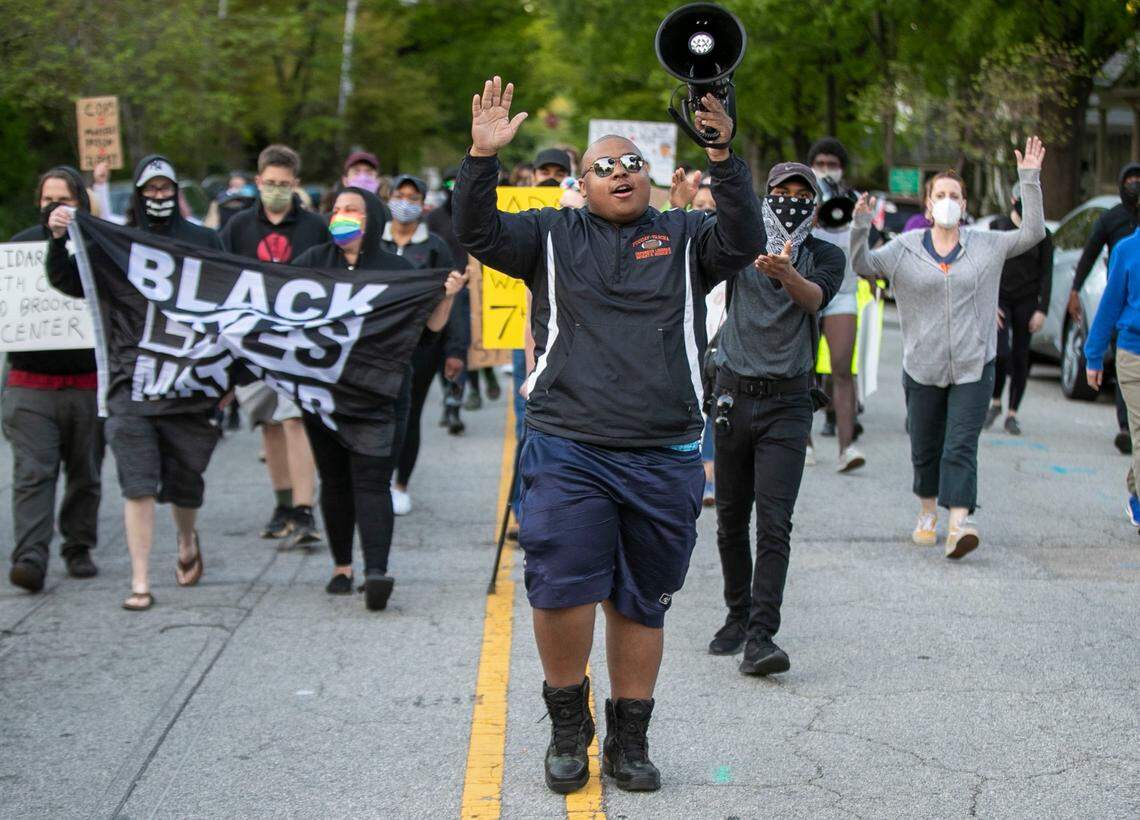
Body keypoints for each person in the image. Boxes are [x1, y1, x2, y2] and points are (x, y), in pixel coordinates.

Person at [454, 76, 762, 795]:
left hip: (663, 452)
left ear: (649, 177)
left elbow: (745, 238)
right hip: (570, 447)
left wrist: (722, 156)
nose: (620, 173)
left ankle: (631, 737)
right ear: (581, 184)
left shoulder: (686, 237)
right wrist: (480, 158)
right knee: (560, 591)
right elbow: (476, 232)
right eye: (603, 167)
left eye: (632, 164)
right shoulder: (549, 236)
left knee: (640, 600)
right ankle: (569, 727)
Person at [850, 138, 1047, 559]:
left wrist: (1029, 179)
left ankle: (959, 524)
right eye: (940, 195)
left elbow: (1033, 233)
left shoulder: (987, 244)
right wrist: (860, 226)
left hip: (975, 365)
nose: (947, 202)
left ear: (964, 204)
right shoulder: (903, 249)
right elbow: (864, 265)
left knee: (960, 445)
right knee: (925, 445)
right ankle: (927, 512)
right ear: (927, 205)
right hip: (922, 365)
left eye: (954, 196)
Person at [45, 155, 225, 610]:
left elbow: (233, 308)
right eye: (150, 190)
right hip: (131, 381)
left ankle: (186, 539)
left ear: (176, 192)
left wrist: (228, 377)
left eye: (165, 189)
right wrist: (58, 239)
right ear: (140, 195)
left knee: (186, 482)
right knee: (137, 483)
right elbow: (69, 281)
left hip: (188, 382)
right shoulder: (115, 243)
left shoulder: (205, 242)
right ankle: (140, 581)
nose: (158, 197)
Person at [292, 187, 466, 609]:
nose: (341, 215)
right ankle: (342, 567)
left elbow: (426, 333)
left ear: (370, 217)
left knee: (372, 480)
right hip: (325, 394)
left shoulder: (396, 269)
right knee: (335, 480)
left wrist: (446, 298)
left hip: (382, 394)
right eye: (336, 209)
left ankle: (375, 572)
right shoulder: (311, 264)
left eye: (351, 209)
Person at [705, 162, 844, 676]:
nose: (792, 201)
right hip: (733, 397)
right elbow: (699, 250)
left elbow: (815, 299)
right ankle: (736, 614)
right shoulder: (741, 246)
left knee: (775, 523)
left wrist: (788, 274)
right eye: (782, 192)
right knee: (729, 519)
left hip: (788, 403)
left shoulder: (824, 255)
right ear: (766, 198)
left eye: (802, 194)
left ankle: (762, 636)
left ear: (815, 206)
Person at [220, 144, 327, 546]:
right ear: (258, 181)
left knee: (295, 419)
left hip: (299, 343)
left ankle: (304, 508)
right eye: (270, 183)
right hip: (253, 341)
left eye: (284, 184)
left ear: (295, 184)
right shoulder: (238, 227)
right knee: (268, 422)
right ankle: (283, 504)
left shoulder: (314, 227)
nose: (276, 190)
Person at [5, 167, 103, 593]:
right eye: (48, 199)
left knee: (86, 473)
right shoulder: (19, 248)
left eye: (64, 200)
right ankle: (30, 557)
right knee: (33, 473)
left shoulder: (98, 249)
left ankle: (78, 546)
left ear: (80, 204)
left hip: (86, 385)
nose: (55, 207)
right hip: (29, 386)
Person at [381, 174, 467, 515]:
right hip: (378, 346)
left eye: (412, 197)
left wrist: (455, 350)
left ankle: (400, 484)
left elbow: (451, 299)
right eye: (399, 195)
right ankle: (376, 481)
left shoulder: (434, 247)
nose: (405, 203)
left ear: (422, 203)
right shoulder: (374, 241)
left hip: (421, 347)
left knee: (409, 414)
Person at [1070, 161, 1140, 455]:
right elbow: (1089, 256)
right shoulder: (1118, 232)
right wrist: (1094, 356)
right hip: (1130, 337)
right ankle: (1125, 427)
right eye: (1130, 180)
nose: (1134, 184)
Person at [808, 137, 865, 472]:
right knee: (802, 366)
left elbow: (865, 247)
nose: (826, 169)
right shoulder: (802, 197)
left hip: (843, 291)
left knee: (842, 366)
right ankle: (803, 442)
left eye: (832, 164)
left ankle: (847, 447)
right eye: (820, 163)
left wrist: (862, 220)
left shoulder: (854, 200)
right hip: (808, 288)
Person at [1084, 195, 1140, 529]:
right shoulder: (1127, 250)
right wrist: (1093, 355)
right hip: (1134, 354)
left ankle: (1136, 493)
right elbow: (1110, 305)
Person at [984, 184, 1054, 435]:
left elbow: (1047, 274)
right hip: (1000, 298)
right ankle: (995, 402)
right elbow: (986, 266)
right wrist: (989, 302)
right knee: (1001, 352)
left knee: (1020, 356)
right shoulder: (998, 227)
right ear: (1014, 200)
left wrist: (1042, 310)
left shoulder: (1042, 234)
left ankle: (1012, 413)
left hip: (1027, 300)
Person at [426, 166, 473, 435]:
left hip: (465, 292)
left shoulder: (473, 215)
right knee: (439, 349)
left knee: (458, 350)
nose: (454, 188)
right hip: (438, 292)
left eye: (458, 183)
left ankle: (455, 404)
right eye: (449, 184)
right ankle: (448, 398)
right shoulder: (433, 218)